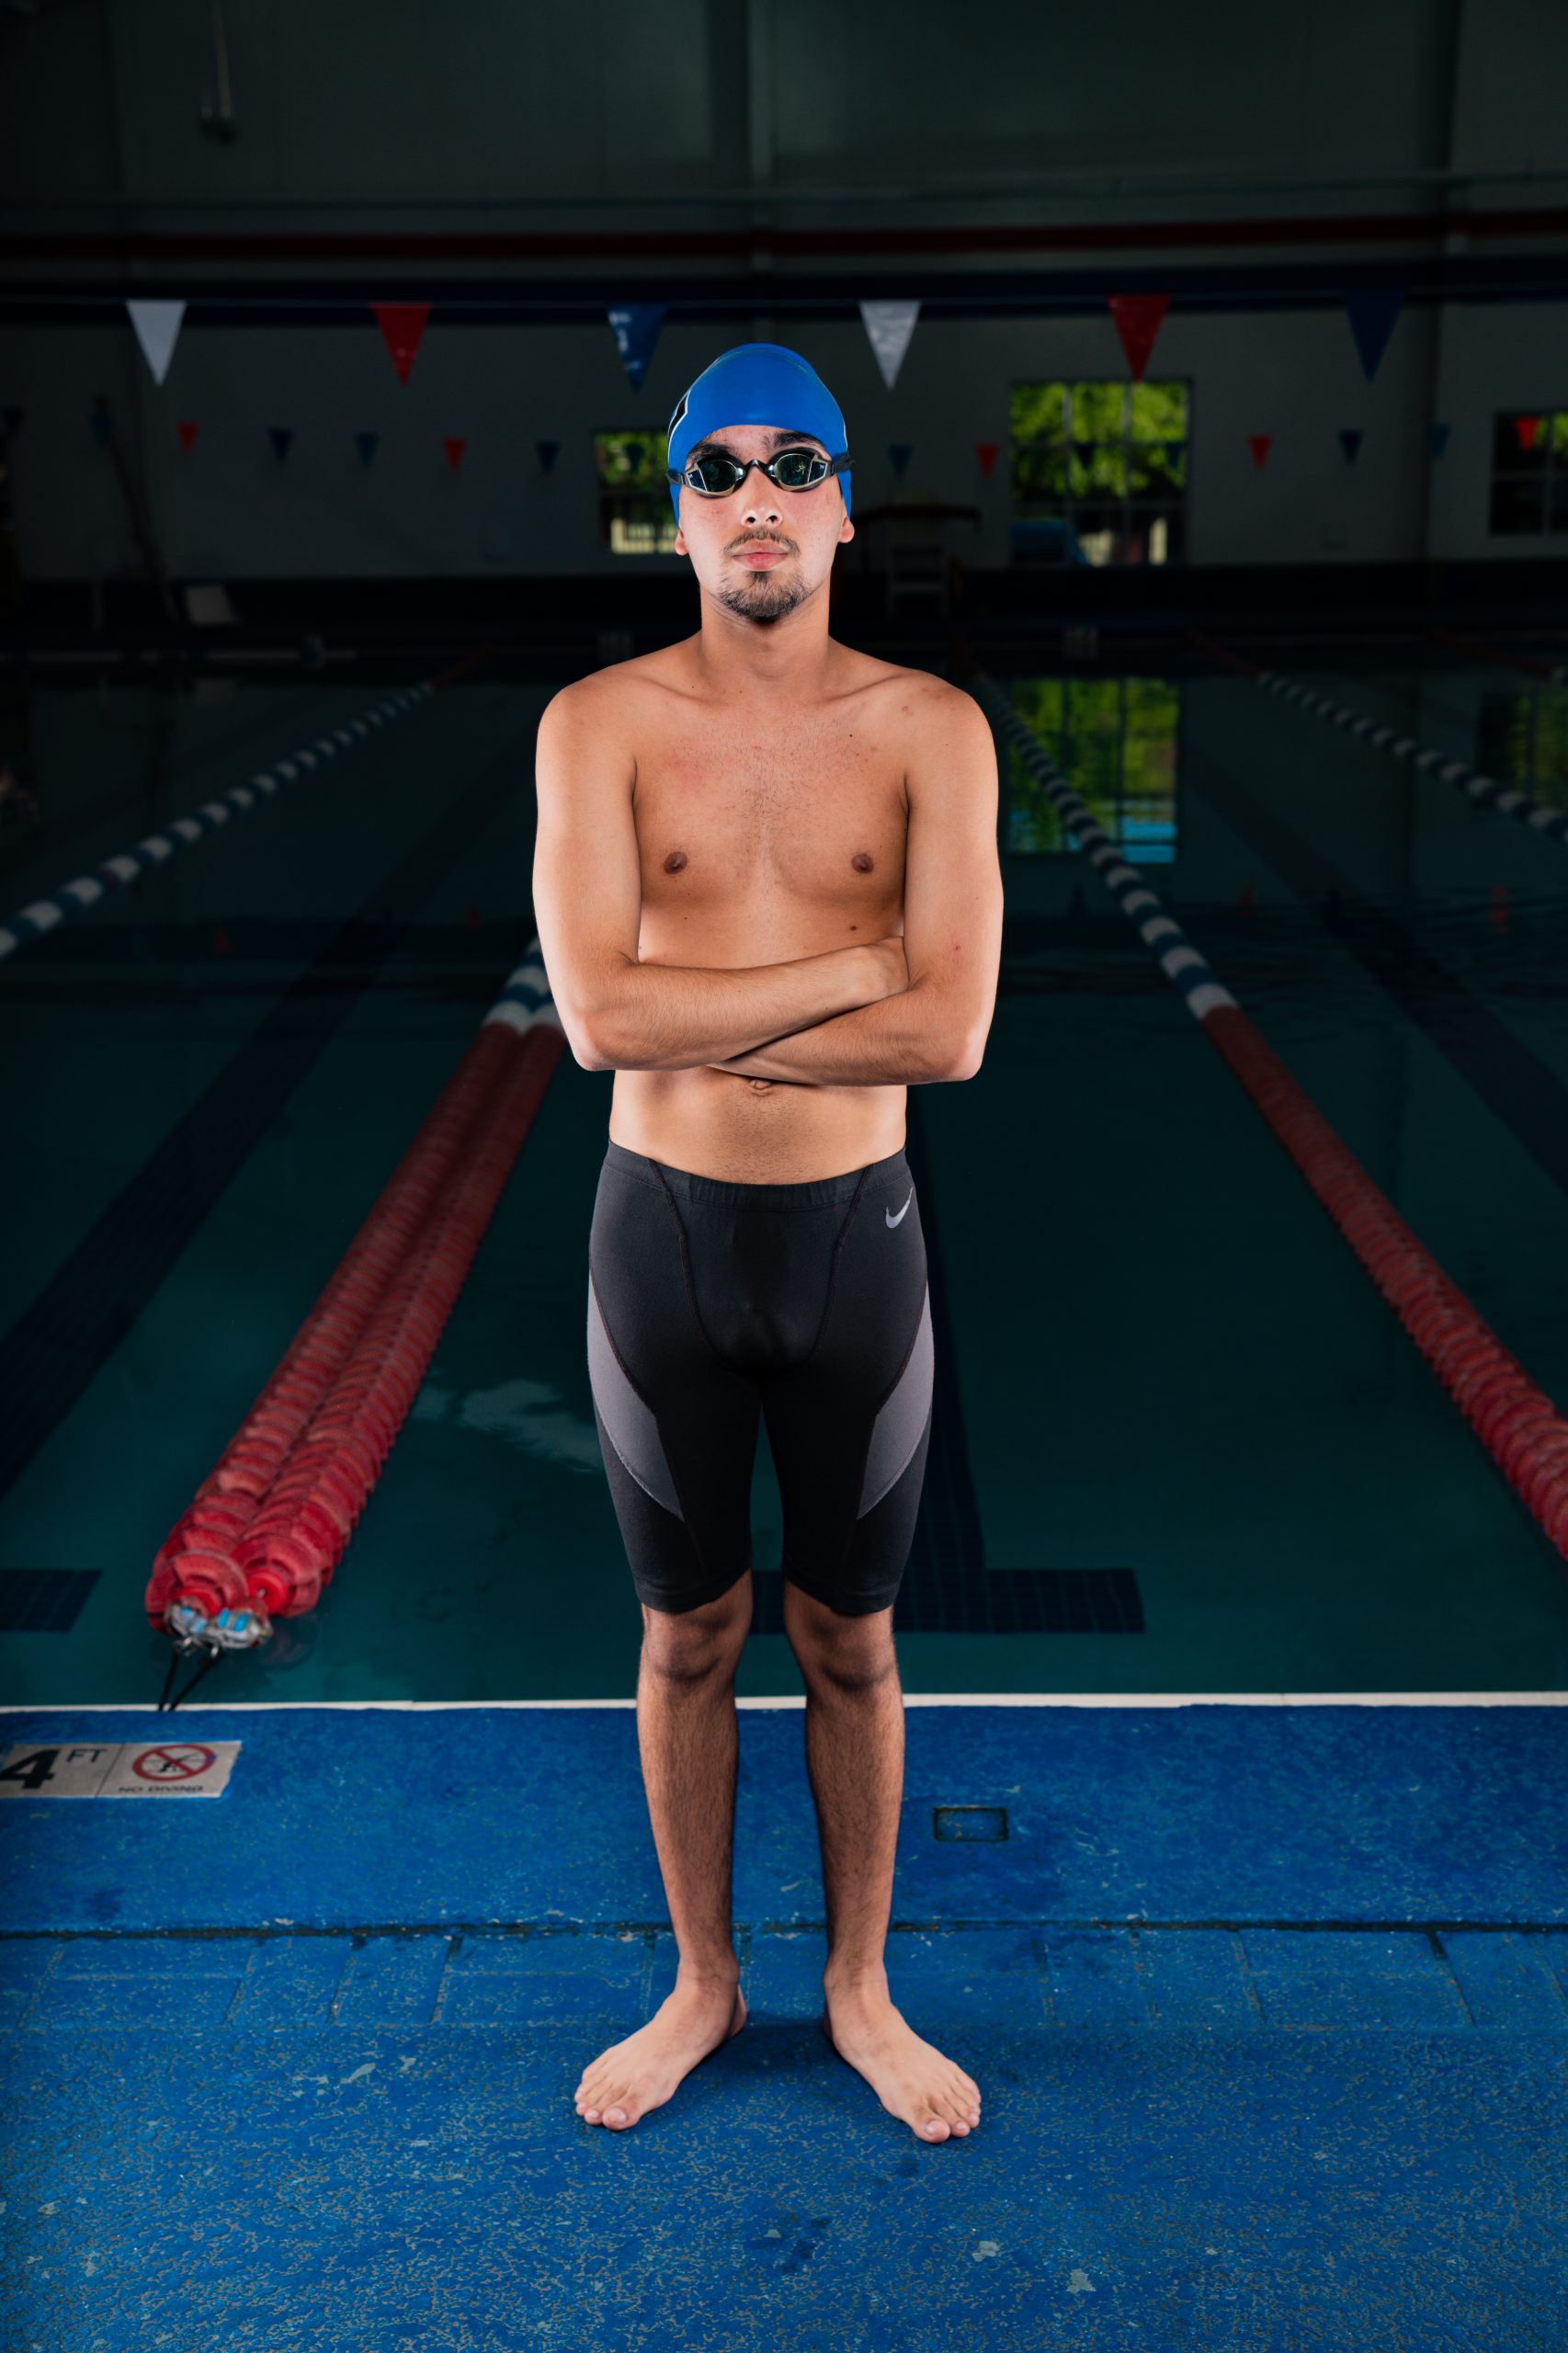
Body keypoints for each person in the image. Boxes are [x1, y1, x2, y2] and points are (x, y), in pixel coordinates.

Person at [532, 342, 1004, 2143]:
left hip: (854, 1241)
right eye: (717, 469)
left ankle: (861, 1989)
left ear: (842, 510)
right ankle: (704, 1981)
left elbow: (949, 1035)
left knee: (851, 1641)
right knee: (686, 1639)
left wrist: (705, 1015)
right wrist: (855, 965)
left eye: (793, 464)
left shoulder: (930, 729)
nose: (756, 497)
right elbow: (596, 1020)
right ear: (675, 518)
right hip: (657, 1239)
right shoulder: (597, 724)